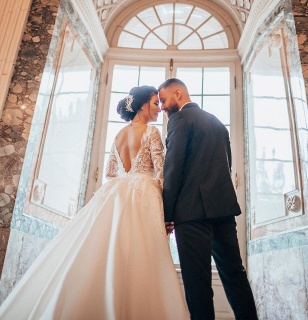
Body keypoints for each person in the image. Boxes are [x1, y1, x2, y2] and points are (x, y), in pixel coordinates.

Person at [0, 85, 189, 320]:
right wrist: (165, 209)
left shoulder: (119, 135)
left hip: (115, 195)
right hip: (144, 194)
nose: (158, 109)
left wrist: (126, 183)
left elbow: (111, 172)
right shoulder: (151, 133)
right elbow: (162, 173)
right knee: (143, 256)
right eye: (154, 103)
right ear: (142, 105)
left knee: (109, 250)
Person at [158, 78, 258, 320]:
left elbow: (173, 168)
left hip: (191, 215)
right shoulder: (216, 123)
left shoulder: (179, 120)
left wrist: (166, 214)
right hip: (223, 211)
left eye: (163, 100)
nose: (161, 107)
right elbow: (227, 165)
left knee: (197, 283)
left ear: (178, 93)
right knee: (235, 275)